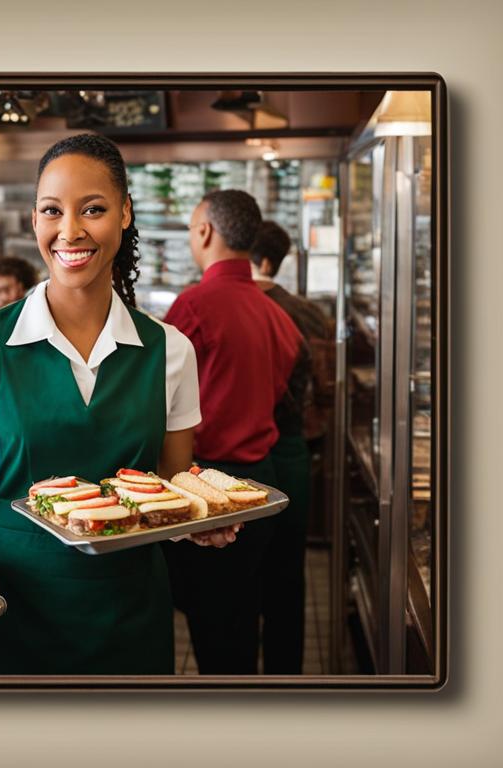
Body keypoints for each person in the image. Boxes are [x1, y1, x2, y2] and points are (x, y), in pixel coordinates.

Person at [0, 134, 238, 675]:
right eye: (52, 211)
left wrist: (200, 520)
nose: (70, 231)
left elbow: (172, 481)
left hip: (130, 609)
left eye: (93, 210)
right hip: (9, 604)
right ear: (35, 221)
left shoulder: (172, 351)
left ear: (124, 214)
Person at [162, 190, 304, 675]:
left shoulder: (195, 305)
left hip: (210, 486)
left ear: (204, 232)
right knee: (242, 612)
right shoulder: (278, 315)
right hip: (261, 483)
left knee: (216, 627)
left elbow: (160, 397)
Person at [250, 221, 332, 674]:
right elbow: (323, 390)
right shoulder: (309, 313)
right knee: (287, 574)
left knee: (238, 574)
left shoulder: (222, 304)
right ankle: (286, 676)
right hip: (292, 446)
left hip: (232, 456)